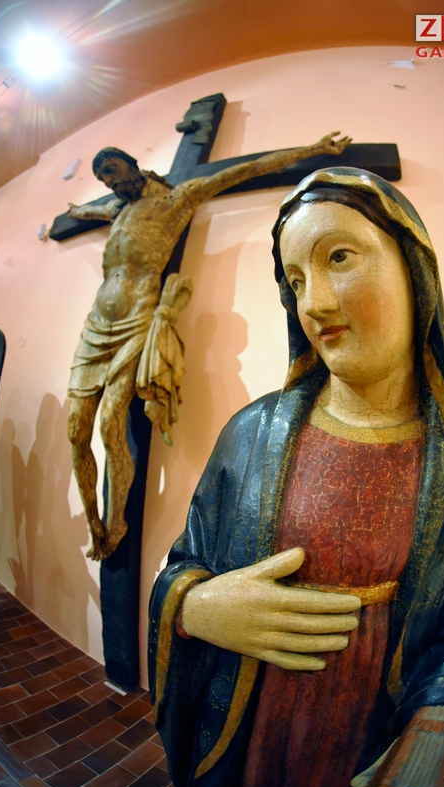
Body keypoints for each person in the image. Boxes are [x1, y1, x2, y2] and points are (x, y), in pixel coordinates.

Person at [148, 168, 444, 787]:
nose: (312, 303)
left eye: (338, 257)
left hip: (370, 738)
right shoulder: (250, 434)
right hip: (247, 736)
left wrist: (433, 732)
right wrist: (195, 609)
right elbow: (185, 563)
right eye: (294, 280)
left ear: (414, 270)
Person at [66, 134, 351, 560]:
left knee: (110, 425)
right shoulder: (116, 209)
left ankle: (115, 521)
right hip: (95, 326)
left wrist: (315, 149)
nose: (112, 185)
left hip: (135, 322)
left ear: (132, 165)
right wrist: (74, 212)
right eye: (105, 181)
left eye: (114, 174)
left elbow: (248, 169)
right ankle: (93, 519)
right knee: (75, 430)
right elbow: (86, 211)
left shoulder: (176, 199)